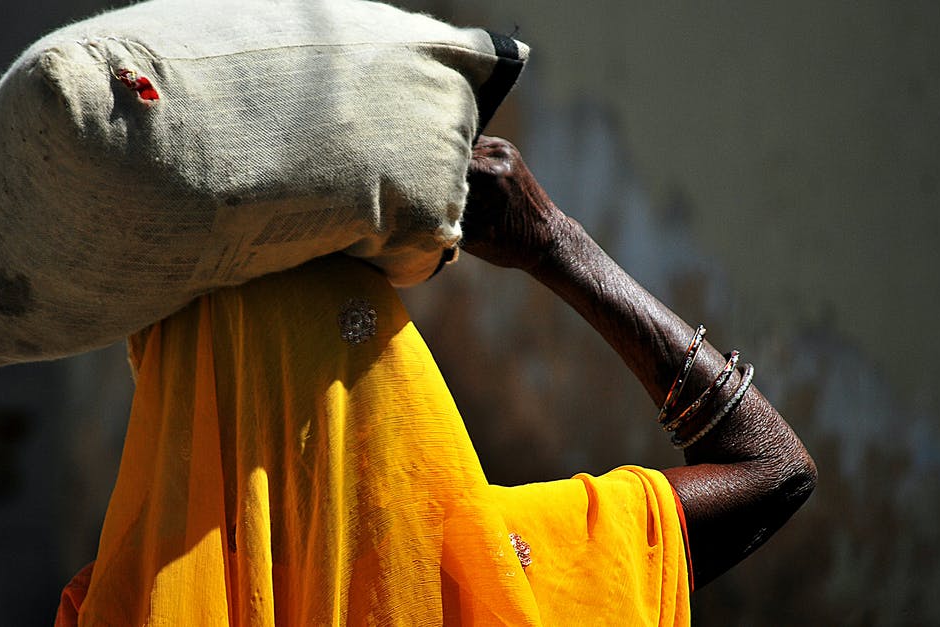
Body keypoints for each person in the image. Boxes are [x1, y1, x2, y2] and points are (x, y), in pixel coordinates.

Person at [55, 137, 816, 625]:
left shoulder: (111, 608)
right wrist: (556, 244)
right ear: (391, 379)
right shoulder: (497, 570)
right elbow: (775, 469)